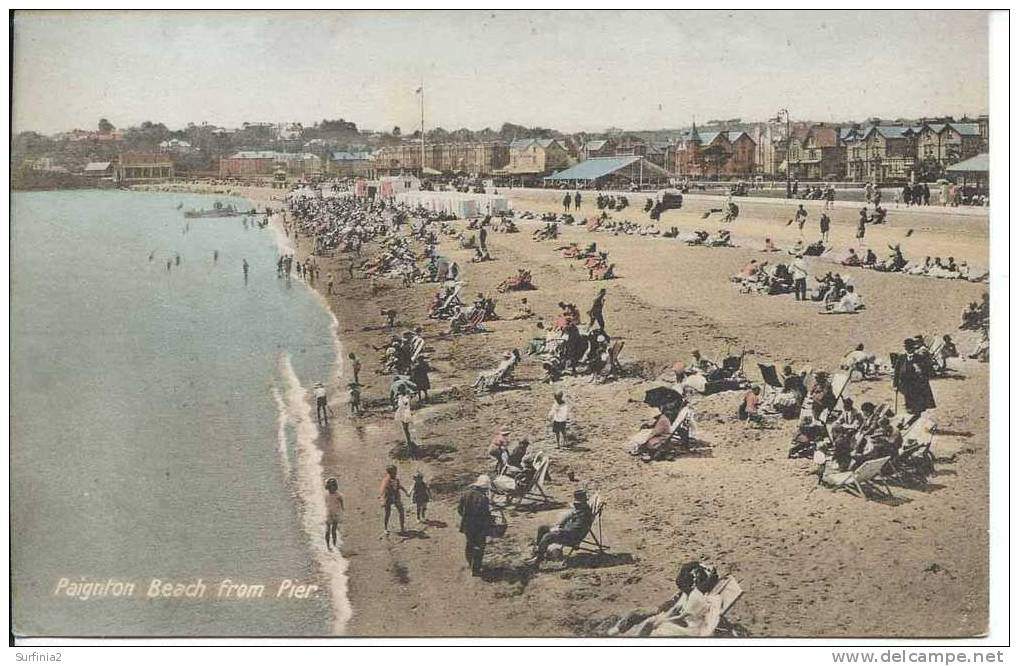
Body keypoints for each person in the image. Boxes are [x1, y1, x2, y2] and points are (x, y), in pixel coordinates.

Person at [525, 489, 594, 566]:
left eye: (577, 504)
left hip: (571, 537)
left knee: (548, 536)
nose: (575, 505)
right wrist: (560, 526)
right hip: (566, 532)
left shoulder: (584, 514)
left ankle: (538, 560)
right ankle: (538, 553)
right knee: (542, 528)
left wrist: (559, 530)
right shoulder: (580, 510)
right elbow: (569, 520)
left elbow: (575, 529)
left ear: (583, 503)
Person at [457, 475, 494, 576]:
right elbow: (485, 514)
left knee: (469, 544)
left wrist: (466, 517)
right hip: (479, 527)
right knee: (479, 547)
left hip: (467, 525)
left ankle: (470, 563)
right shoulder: (483, 498)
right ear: (484, 488)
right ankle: (476, 569)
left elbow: (460, 509)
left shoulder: (466, 494)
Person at [379, 465, 409, 536]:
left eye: (395, 471)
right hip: (388, 498)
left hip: (396, 497)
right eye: (394, 471)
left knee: (401, 511)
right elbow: (382, 490)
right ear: (389, 472)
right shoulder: (386, 480)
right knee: (387, 513)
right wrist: (382, 499)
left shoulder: (396, 479)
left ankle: (402, 528)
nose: (395, 473)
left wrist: (405, 492)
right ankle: (385, 528)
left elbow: (399, 486)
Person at [324, 477, 345, 551]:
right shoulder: (326, 494)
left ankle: (334, 544)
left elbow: (341, 502)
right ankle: (327, 546)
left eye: (333, 487)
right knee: (327, 530)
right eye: (330, 487)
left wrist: (342, 509)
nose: (331, 489)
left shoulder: (338, 495)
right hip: (328, 514)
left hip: (335, 514)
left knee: (334, 530)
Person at [395, 389, 416, 455]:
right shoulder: (406, 397)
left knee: (405, 428)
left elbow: (401, 404)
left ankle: (409, 441)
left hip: (403, 413)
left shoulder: (402, 398)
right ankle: (409, 440)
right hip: (404, 412)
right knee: (405, 428)